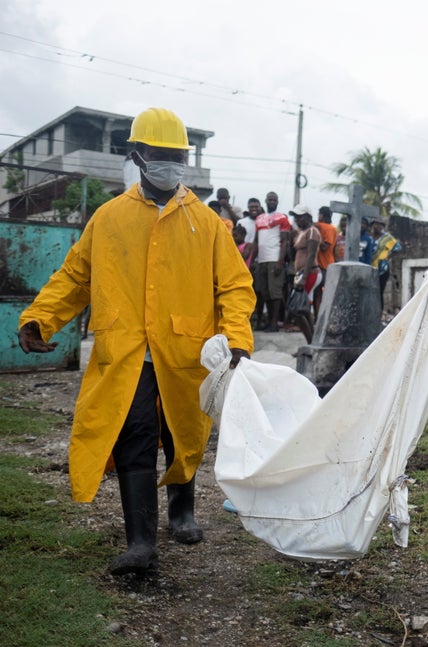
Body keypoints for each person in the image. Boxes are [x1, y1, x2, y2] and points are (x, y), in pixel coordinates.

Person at [17, 107, 256, 576]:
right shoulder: (109, 219)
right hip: (126, 354)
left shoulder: (207, 224)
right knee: (135, 438)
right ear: (137, 157)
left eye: (178, 156)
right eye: (161, 155)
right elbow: (75, 276)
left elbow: (234, 285)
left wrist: (238, 339)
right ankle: (141, 542)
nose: (172, 164)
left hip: (186, 353)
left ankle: (182, 512)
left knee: (183, 433)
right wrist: (41, 319)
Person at [253, 191, 291, 332]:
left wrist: (280, 261)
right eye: (270, 199)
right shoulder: (259, 218)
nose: (272, 202)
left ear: (277, 202)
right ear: (266, 200)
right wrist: (254, 259)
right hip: (262, 260)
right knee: (264, 292)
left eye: (274, 200)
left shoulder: (282, 218)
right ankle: (269, 322)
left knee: (275, 292)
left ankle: (274, 323)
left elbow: (285, 241)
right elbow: (256, 241)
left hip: (274, 258)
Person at [289, 204, 322, 343]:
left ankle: (311, 342)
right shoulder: (301, 232)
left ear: (308, 217)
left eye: (300, 216)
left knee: (298, 310)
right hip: (302, 273)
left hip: (310, 273)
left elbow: (311, 255)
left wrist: (304, 277)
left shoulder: (312, 232)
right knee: (304, 309)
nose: (297, 219)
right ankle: (312, 341)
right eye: (296, 216)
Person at [370, 216, 402, 310]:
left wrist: (388, 256)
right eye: (376, 224)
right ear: (372, 225)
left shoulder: (387, 237)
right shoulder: (369, 237)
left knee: (379, 292)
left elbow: (397, 248)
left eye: (380, 225)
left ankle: (378, 314)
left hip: (382, 269)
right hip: (370, 267)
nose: (378, 227)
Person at [313, 206, 338, 320]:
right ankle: (319, 318)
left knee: (321, 293)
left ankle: (322, 317)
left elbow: (325, 247)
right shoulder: (328, 228)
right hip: (321, 264)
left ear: (321, 215)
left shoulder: (329, 228)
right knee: (319, 293)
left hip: (326, 265)